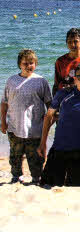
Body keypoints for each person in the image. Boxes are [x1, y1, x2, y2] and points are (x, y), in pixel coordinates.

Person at [1, 49, 52, 184]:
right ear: (19, 64)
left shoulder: (41, 81)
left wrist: (49, 124)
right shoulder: (12, 80)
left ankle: (36, 178)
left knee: (35, 157)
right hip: (14, 127)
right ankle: (16, 176)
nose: (29, 66)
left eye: (32, 63)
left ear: (36, 64)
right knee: (15, 155)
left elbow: (49, 105)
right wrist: (3, 122)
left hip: (35, 128)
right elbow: (4, 103)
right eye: (25, 63)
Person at [53, 28, 80, 94]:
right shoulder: (60, 61)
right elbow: (56, 84)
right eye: (69, 42)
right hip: (64, 97)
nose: (72, 45)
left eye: (75, 41)